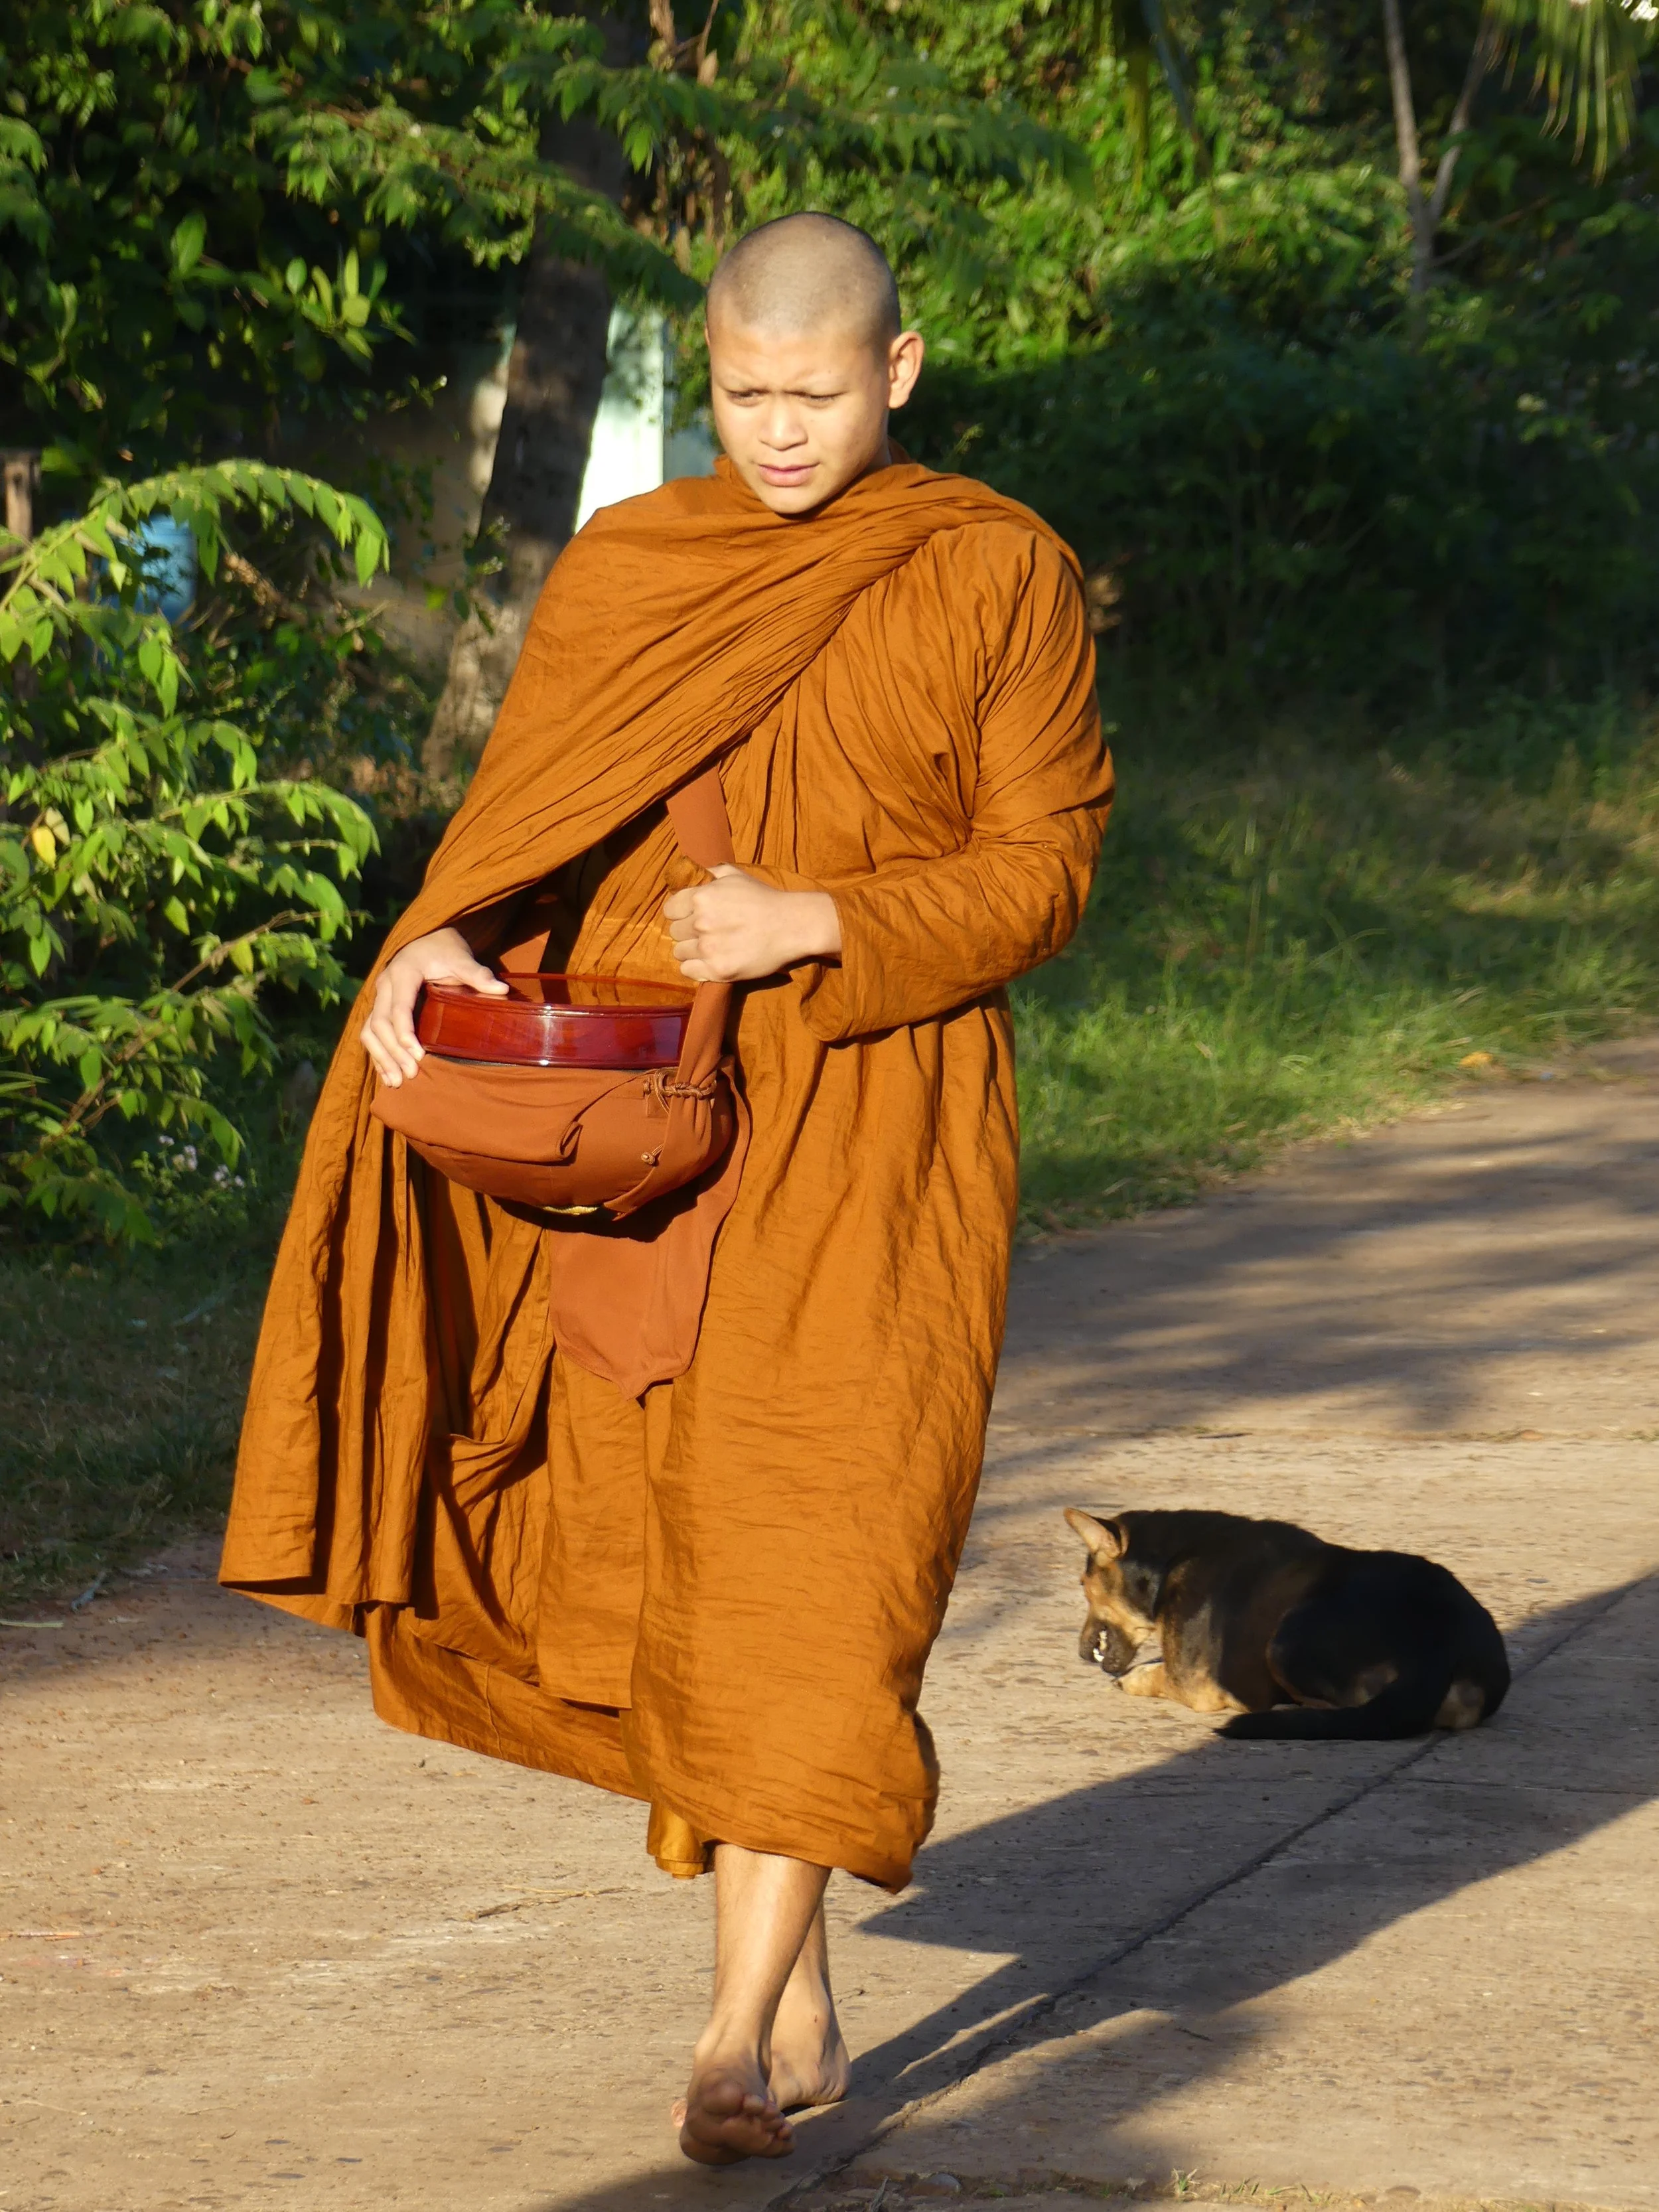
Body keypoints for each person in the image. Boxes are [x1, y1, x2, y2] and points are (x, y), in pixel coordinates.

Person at [221, 212, 1114, 2166]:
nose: (775, 435)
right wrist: (437, 939)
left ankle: (726, 2033)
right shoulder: (640, 564)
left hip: (880, 1122)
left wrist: (825, 916)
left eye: (811, 396)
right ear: (703, 374)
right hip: (650, 1134)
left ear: (898, 371)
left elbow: (1044, 867)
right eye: (738, 396)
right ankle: (786, 1996)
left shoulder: (992, 568)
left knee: (824, 1548)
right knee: (696, 1553)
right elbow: (534, 813)